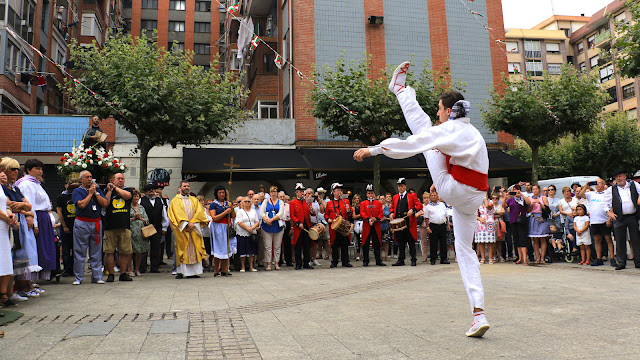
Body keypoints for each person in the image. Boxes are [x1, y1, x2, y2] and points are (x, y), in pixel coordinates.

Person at [354, 61, 491, 336]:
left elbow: (411, 145)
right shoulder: (471, 130)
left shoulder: (449, 129)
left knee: (423, 135)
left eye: (439, 109)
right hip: (474, 196)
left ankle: (401, 90)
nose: (437, 113)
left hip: (454, 189)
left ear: (449, 111)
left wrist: (374, 149)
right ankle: (478, 314)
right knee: (465, 251)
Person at [15, 159, 57, 281]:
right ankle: (27, 280)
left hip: (43, 218)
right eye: (37, 169)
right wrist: (35, 224)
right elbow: (30, 205)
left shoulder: (36, 183)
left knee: (43, 248)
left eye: (41, 169)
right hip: (36, 218)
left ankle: (32, 281)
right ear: (28, 170)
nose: (40, 171)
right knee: (34, 249)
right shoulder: (26, 184)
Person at [71, 170, 108, 284]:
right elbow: (81, 204)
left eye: (91, 177)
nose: (89, 179)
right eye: (87, 177)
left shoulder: (97, 190)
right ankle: (78, 278)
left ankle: (97, 277)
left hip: (96, 222)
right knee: (80, 251)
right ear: (81, 179)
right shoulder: (77, 191)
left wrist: (96, 192)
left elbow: (105, 203)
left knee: (96, 251)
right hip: (82, 222)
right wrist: (90, 194)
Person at [168, 181, 208, 279]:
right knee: (182, 249)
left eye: (188, 186)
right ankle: (181, 272)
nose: (187, 187)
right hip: (182, 230)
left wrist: (192, 223)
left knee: (195, 249)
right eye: (184, 186)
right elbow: (176, 213)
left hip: (194, 228)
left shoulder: (194, 200)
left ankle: (194, 272)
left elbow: (199, 212)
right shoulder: (175, 201)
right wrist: (186, 224)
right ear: (180, 188)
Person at [605, 169, 640, 270]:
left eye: (620, 176)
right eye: (616, 177)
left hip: (632, 216)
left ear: (625, 176)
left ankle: (638, 261)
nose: (618, 178)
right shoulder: (611, 189)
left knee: (636, 239)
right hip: (619, 217)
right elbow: (604, 202)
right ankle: (621, 262)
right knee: (620, 240)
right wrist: (609, 212)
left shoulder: (633, 184)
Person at [102, 173, 133, 282]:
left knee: (124, 251)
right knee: (109, 251)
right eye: (118, 179)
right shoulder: (107, 190)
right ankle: (111, 274)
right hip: (110, 226)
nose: (120, 180)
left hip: (124, 226)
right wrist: (110, 190)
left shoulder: (128, 190)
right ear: (113, 180)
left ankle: (123, 273)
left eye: (122, 179)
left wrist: (115, 188)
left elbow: (127, 196)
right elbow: (105, 203)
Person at [577, 179, 614, 267]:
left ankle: (612, 258)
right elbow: (580, 195)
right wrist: (586, 186)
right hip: (594, 221)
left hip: (604, 220)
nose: (597, 185)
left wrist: (609, 219)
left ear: (604, 184)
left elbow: (611, 206)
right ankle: (599, 258)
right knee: (597, 240)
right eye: (596, 184)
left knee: (608, 239)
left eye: (599, 183)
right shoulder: (591, 194)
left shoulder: (607, 194)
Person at [389, 178, 422, 267]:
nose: (400, 188)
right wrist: (391, 213)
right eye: (399, 186)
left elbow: (419, 205)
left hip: (408, 223)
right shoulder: (395, 197)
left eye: (401, 186)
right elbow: (392, 207)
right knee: (400, 242)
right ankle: (401, 259)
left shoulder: (412, 196)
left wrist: (413, 210)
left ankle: (413, 259)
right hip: (399, 223)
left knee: (411, 242)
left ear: (405, 186)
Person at [140, 184, 169, 273]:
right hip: (145, 227)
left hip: (157, 227)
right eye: (149, 189)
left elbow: (164, 215)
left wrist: (165, 227)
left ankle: (155, 267)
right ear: (145, 191)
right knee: (144, 248)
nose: (151, 191)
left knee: (156, 248)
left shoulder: (159, 200)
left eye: (153, 189)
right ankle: (142, 267)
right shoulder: (141, 200)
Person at [0, 170, 19, 307]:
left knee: (5, 261)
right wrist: (7, 218)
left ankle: (3, 295)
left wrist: (10, 215)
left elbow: (5, 205)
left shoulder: (1, 188)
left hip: (4, 228)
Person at [324, 183, 353, 268]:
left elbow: (350, 213)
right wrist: (328, 219)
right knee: (335, 244)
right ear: (333, 192)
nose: (340, 192)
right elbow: (326, 215)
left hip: (343, 226)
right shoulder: (329, 203)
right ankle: (334, 261)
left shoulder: (346, 201)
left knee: (344, 244)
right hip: (334, 226)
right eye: (337, 190)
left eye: (340, 190)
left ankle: (345, 261)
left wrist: (349, 210)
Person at [209, 185, 236, 276]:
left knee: (226, 248)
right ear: (216, 194)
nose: (222, 194)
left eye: (223, 192)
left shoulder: (227, 203)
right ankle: (216, 270)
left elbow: (233, 216)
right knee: (218, 249)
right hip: (218, 227)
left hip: (226, 226)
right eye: (220, 193)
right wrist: (225, 212)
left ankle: (224, 269)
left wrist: (231, 208)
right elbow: (214, 217)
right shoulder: (214, 204)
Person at [360, 184, 386, 266]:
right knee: (366, 243)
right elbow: (362, 213)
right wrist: (368, 219)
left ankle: (378, 260)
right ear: (366, 194)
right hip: (367, 225)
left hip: (376, 225)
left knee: (377, 243)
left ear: (374, 194)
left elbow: (381, 213)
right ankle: (365, 260)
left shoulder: (378, 203)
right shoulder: (363, 203)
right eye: (368, 193)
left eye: (371, 193)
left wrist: (376, 219)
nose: (370, 195)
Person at [424, 186, 451, 265]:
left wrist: (448, 224)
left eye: (435, 195)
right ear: (430, 197)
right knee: (433, 243)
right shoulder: (428, 207)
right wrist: (428, 227)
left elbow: (446, 215)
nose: (433, 197)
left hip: (442, 225)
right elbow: (426, 218)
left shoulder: (442, 204)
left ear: (437, 196)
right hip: (433, 225)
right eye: (432, 196)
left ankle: (443, 259)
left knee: (443, 243)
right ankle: (433, 259)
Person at [505, 185, 531, 265]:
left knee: (523, 239)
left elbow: (529, 203)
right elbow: (504, 206)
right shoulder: (510, 200)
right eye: (514, 190)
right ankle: (519, 258)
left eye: (517, 190)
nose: (515, 191)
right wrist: (505, 197)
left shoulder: (522, 198)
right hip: (513, 221)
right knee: (516, 240)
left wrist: (521, 195)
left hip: (522, 221)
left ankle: (525, 259)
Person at [290, 183, 314, 270]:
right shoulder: (293, 202)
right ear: (296, 193)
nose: (302, 193)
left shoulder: (307, 202)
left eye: (303, 191)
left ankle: (306, 263)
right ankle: (298, 263)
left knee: (307, 245)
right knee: (298, 246)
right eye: (300, 191)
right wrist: (298, 223)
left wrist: (312, 211)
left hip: (307, 225)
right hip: (298, 227)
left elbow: (312, 213)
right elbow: (292, 216)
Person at [260, 186, 284, 271]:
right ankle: (269, 264)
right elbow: (261, 212)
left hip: (277, 226)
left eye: (275, 191)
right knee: (268, 246)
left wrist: (272, 219)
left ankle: (276, 263)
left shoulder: (280, 202)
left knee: (277, 246)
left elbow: (281, 213)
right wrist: (266, 219)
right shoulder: (265, 201)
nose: (273, 193)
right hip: (267, 226)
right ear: (269, 193)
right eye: (272, 192)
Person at [56, 181, 76, 277]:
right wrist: (64, 226)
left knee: (76, 249)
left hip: (77, 227)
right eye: (69, 184)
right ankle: (67, 269)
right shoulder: (61, 197)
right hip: (66, 227)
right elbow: (59, 212)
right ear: (65, 185)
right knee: (66, 249)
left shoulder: (77, 195)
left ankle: (75, 268)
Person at [235, 196, 259, 272]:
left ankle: (251, 266)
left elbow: (257, 221)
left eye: (248, 201)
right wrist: (247, 228)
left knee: (251, 250)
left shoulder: (253, 211)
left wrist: (252, 228)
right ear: (242, 203)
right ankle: (243, 266)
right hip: (242, 232)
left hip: (252, 233)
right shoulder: (240, 211)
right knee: (243, 250)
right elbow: (239, 222)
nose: (247, 203)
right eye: (245, 201)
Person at [129, 189, 149, 276]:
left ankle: (137, 269)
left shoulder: (141, 207)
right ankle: (130, 270)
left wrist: (140, 218)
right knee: (129, 251)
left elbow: (147, 220)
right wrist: (133, 218)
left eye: (137, 196)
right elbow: (124, 219)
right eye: (134, 196)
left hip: (140, 233)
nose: (136, 198)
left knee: (139, 252)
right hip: (131, 231)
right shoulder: (128, 207)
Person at [528, 185, 550, 264]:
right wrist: (531, 205)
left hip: (541, 217)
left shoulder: (543, 197)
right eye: (533, 189)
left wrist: (540, 204)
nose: (535, 190)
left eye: (536, 189)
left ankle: (543, 257)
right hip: (533, 217)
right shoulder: (530, 198)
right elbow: (528, 210)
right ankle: (537, 257)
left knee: (543, 238)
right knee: (535, 239)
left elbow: (547, 209)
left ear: (539, 190)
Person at [305, 187, 325, 266]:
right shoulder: (304, 202)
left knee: (315, 243)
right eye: (308, 193)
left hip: (315, 223)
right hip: (308, 223)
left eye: (311, 193)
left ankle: (314, 258)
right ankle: (308, 259)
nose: (310, 195)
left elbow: (322, 211)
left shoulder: (316, 202)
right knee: (308, 243)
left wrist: (320, 201)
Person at [475, 196, 496, 264]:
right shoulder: (477, 202)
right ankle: (483, 258)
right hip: (480, 223)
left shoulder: (491, 202)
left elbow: (487, 206)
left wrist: (485, 198)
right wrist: (479, 218)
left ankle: (490, 258)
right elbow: (473, 214)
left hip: (489, 222)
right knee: (481, 241)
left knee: (490, 242)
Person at [278, 191, 293, 267]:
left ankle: (288, 261)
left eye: (283, 197)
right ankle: (279, 261)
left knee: (287, 243)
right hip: (279, 223)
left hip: (287, 223)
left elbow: (291, 217)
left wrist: (291, 228)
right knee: (279, 243)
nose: (282, 198)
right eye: (280, 197)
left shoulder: (288, 206)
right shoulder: (276, 205)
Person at [316, 187, 330, 260]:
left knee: (326, 238)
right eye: (319, 193)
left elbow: (326, 208)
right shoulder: (315, 201)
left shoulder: (327, 200)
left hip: (325, 221)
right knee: (319, 239)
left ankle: (327, 254)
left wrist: (321, 200)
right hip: (318, 221)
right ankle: (320, 254)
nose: (320, 194)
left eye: (322, 193)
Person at [381, 193, 393, 261]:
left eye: (383, 199)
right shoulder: (377, 207)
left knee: (386, 241)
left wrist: (386, 219)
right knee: (379, 241)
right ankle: (380, 256)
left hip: (386, 225)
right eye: (381, 199)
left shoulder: (388, 208)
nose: (382, 200)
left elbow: (390, 217)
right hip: (379, 225)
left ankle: (386, 255)